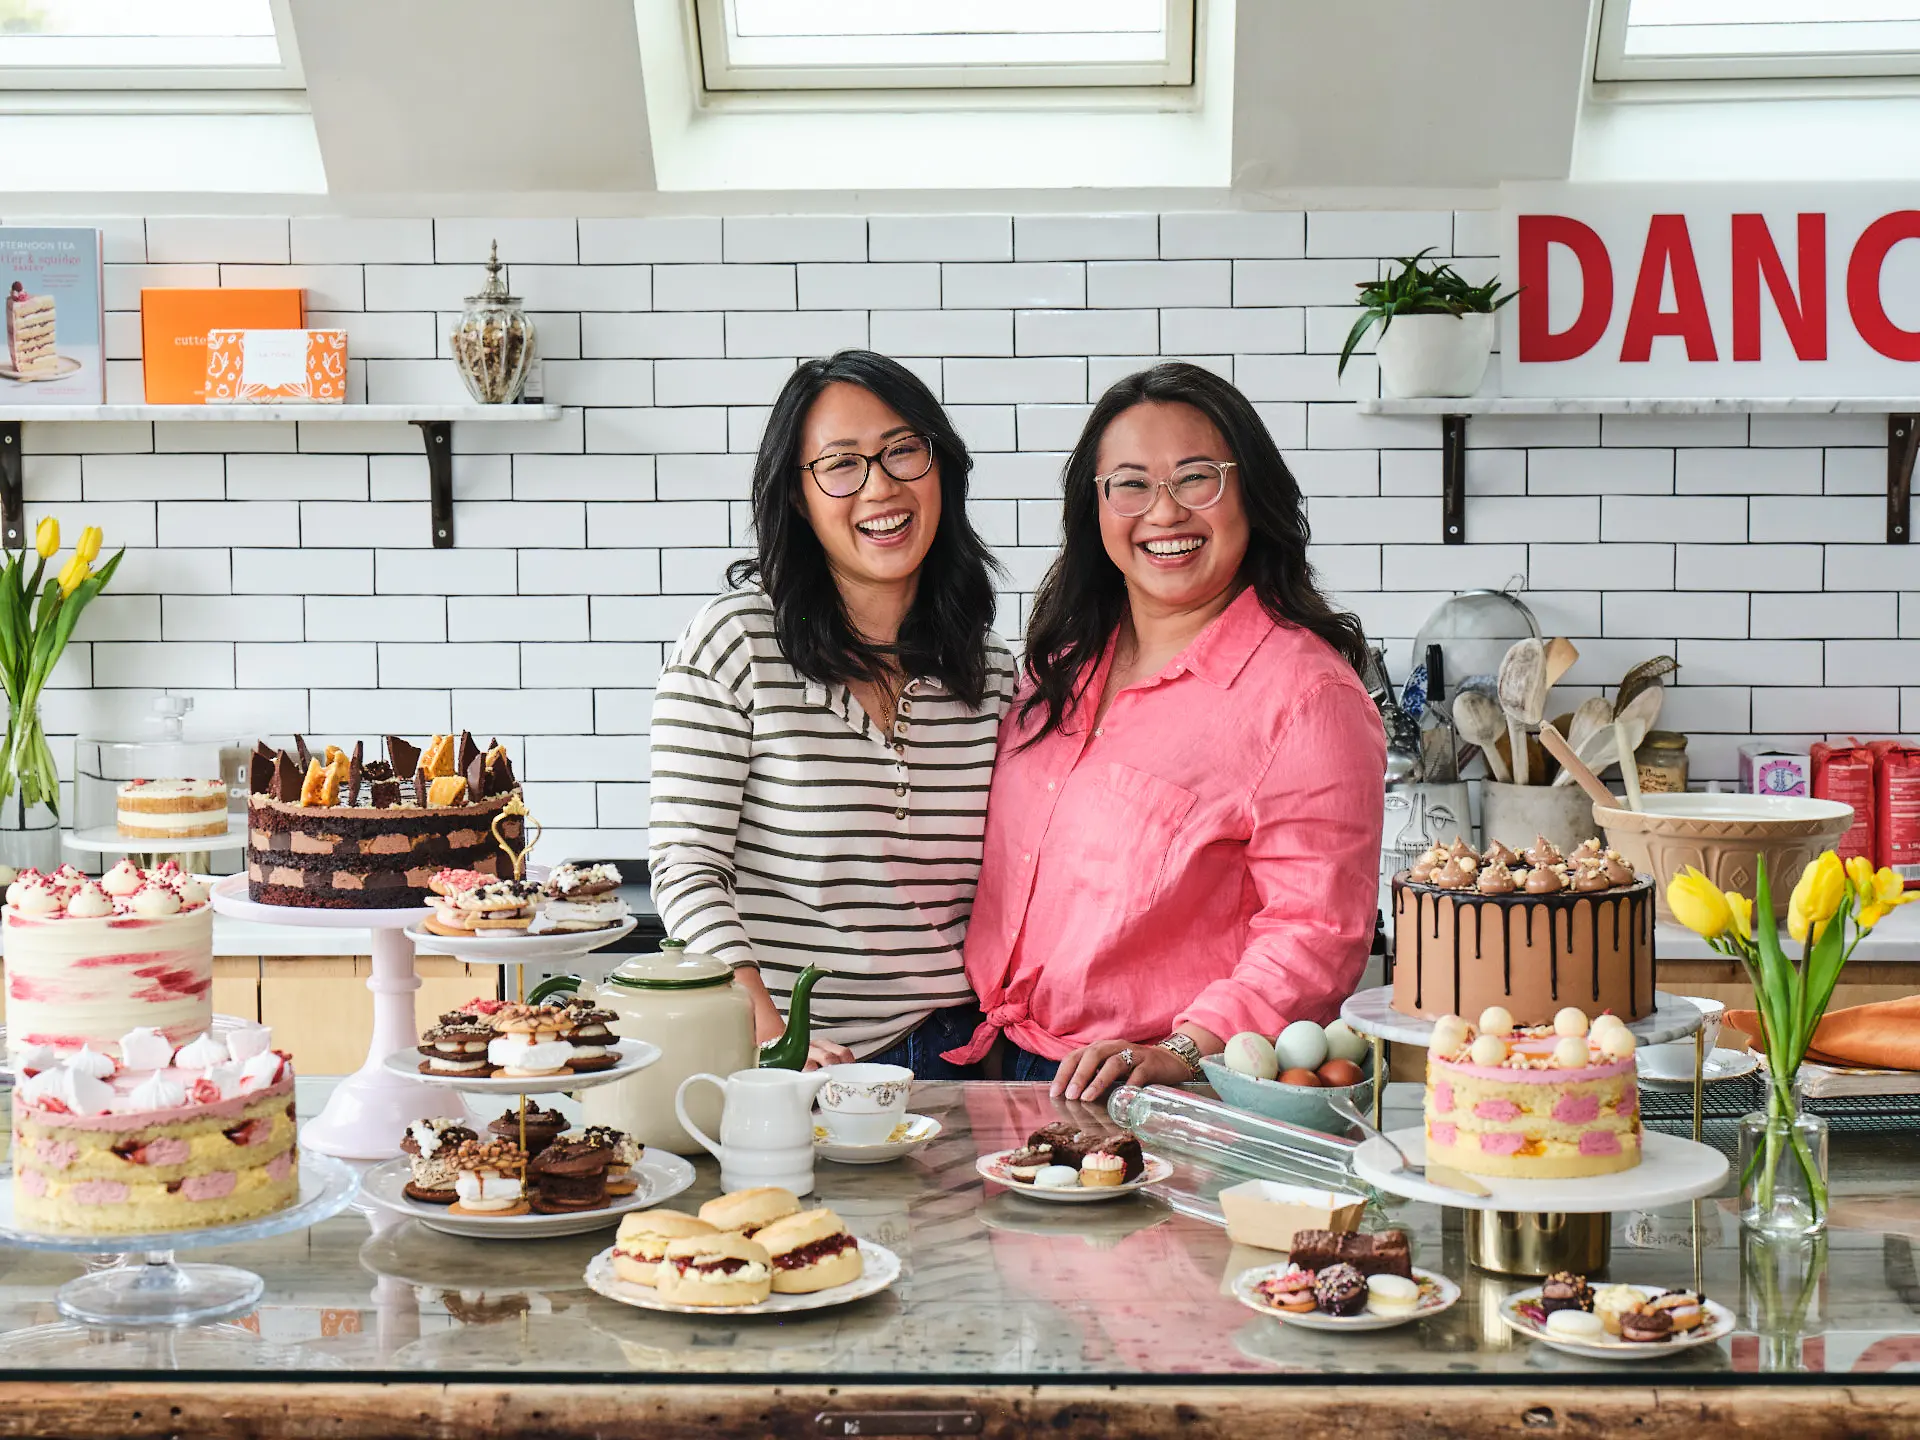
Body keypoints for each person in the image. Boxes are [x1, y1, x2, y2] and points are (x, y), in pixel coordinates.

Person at [947, 362, 1386, 1100]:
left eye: (1195, 478)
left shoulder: (1306, 695)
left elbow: (1316, 936)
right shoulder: (1063, 663)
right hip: (994, 1065)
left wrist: (1183, 1051)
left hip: (1159, 1091)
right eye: (1130, 483)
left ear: (1250, 492)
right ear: (1096, 508)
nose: (1164, 512)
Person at [649, 350, 1015, 1074]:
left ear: (942, 466)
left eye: (903, 451)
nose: (880, 488)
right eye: (841, 464)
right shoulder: (737, 643)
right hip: (794, 1055)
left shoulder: (991, 669)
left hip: (960, 1055)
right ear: (797, 495)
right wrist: (770, 1036)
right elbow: (686, 865)